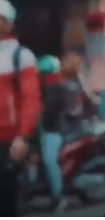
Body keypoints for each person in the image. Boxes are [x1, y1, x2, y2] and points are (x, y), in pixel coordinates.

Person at [0, 0, 41, 216]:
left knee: (6, 201)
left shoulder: (21, 56)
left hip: (7, 143)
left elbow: (30, 100)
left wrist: (22, 137)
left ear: (8, 23)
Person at [36, 55, 68, 211]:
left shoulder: (59, 89)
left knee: (49, 159)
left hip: (54, 131)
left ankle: (58, 195)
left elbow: (48, 112)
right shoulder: (41, 89)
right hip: (41, 131)